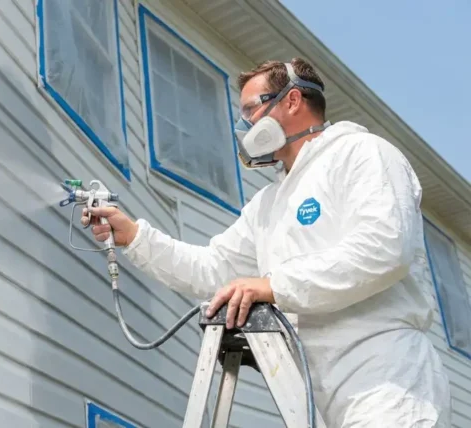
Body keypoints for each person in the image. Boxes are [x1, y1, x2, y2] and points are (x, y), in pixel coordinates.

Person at [83, 58, 452, 427]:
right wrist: (133, 235)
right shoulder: (268, 205)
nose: (245, 125)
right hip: (318, 396)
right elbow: (212, 269)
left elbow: (385, 248)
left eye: (251, 109)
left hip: (387, 381)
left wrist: (273, 285)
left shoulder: (361, 153)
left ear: (292, 100)